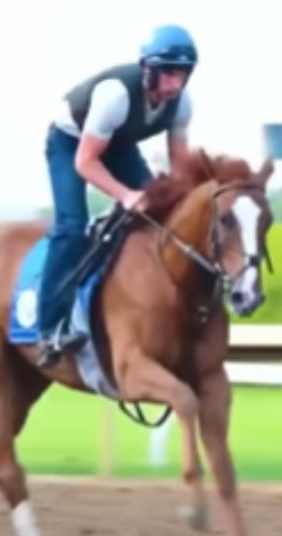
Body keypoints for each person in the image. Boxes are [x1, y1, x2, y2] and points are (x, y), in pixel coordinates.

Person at [35, 23, 197, 367]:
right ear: (148, 70)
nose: (174, 85)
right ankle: (49, 328)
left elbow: (180, 166)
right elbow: (85, 161)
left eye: (182, 76)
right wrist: (125, 195)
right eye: (168, 75)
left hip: (118, 143)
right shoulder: (115, 96)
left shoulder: (182, 104)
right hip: (71, 144)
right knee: (72, 226)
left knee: (158, 214)